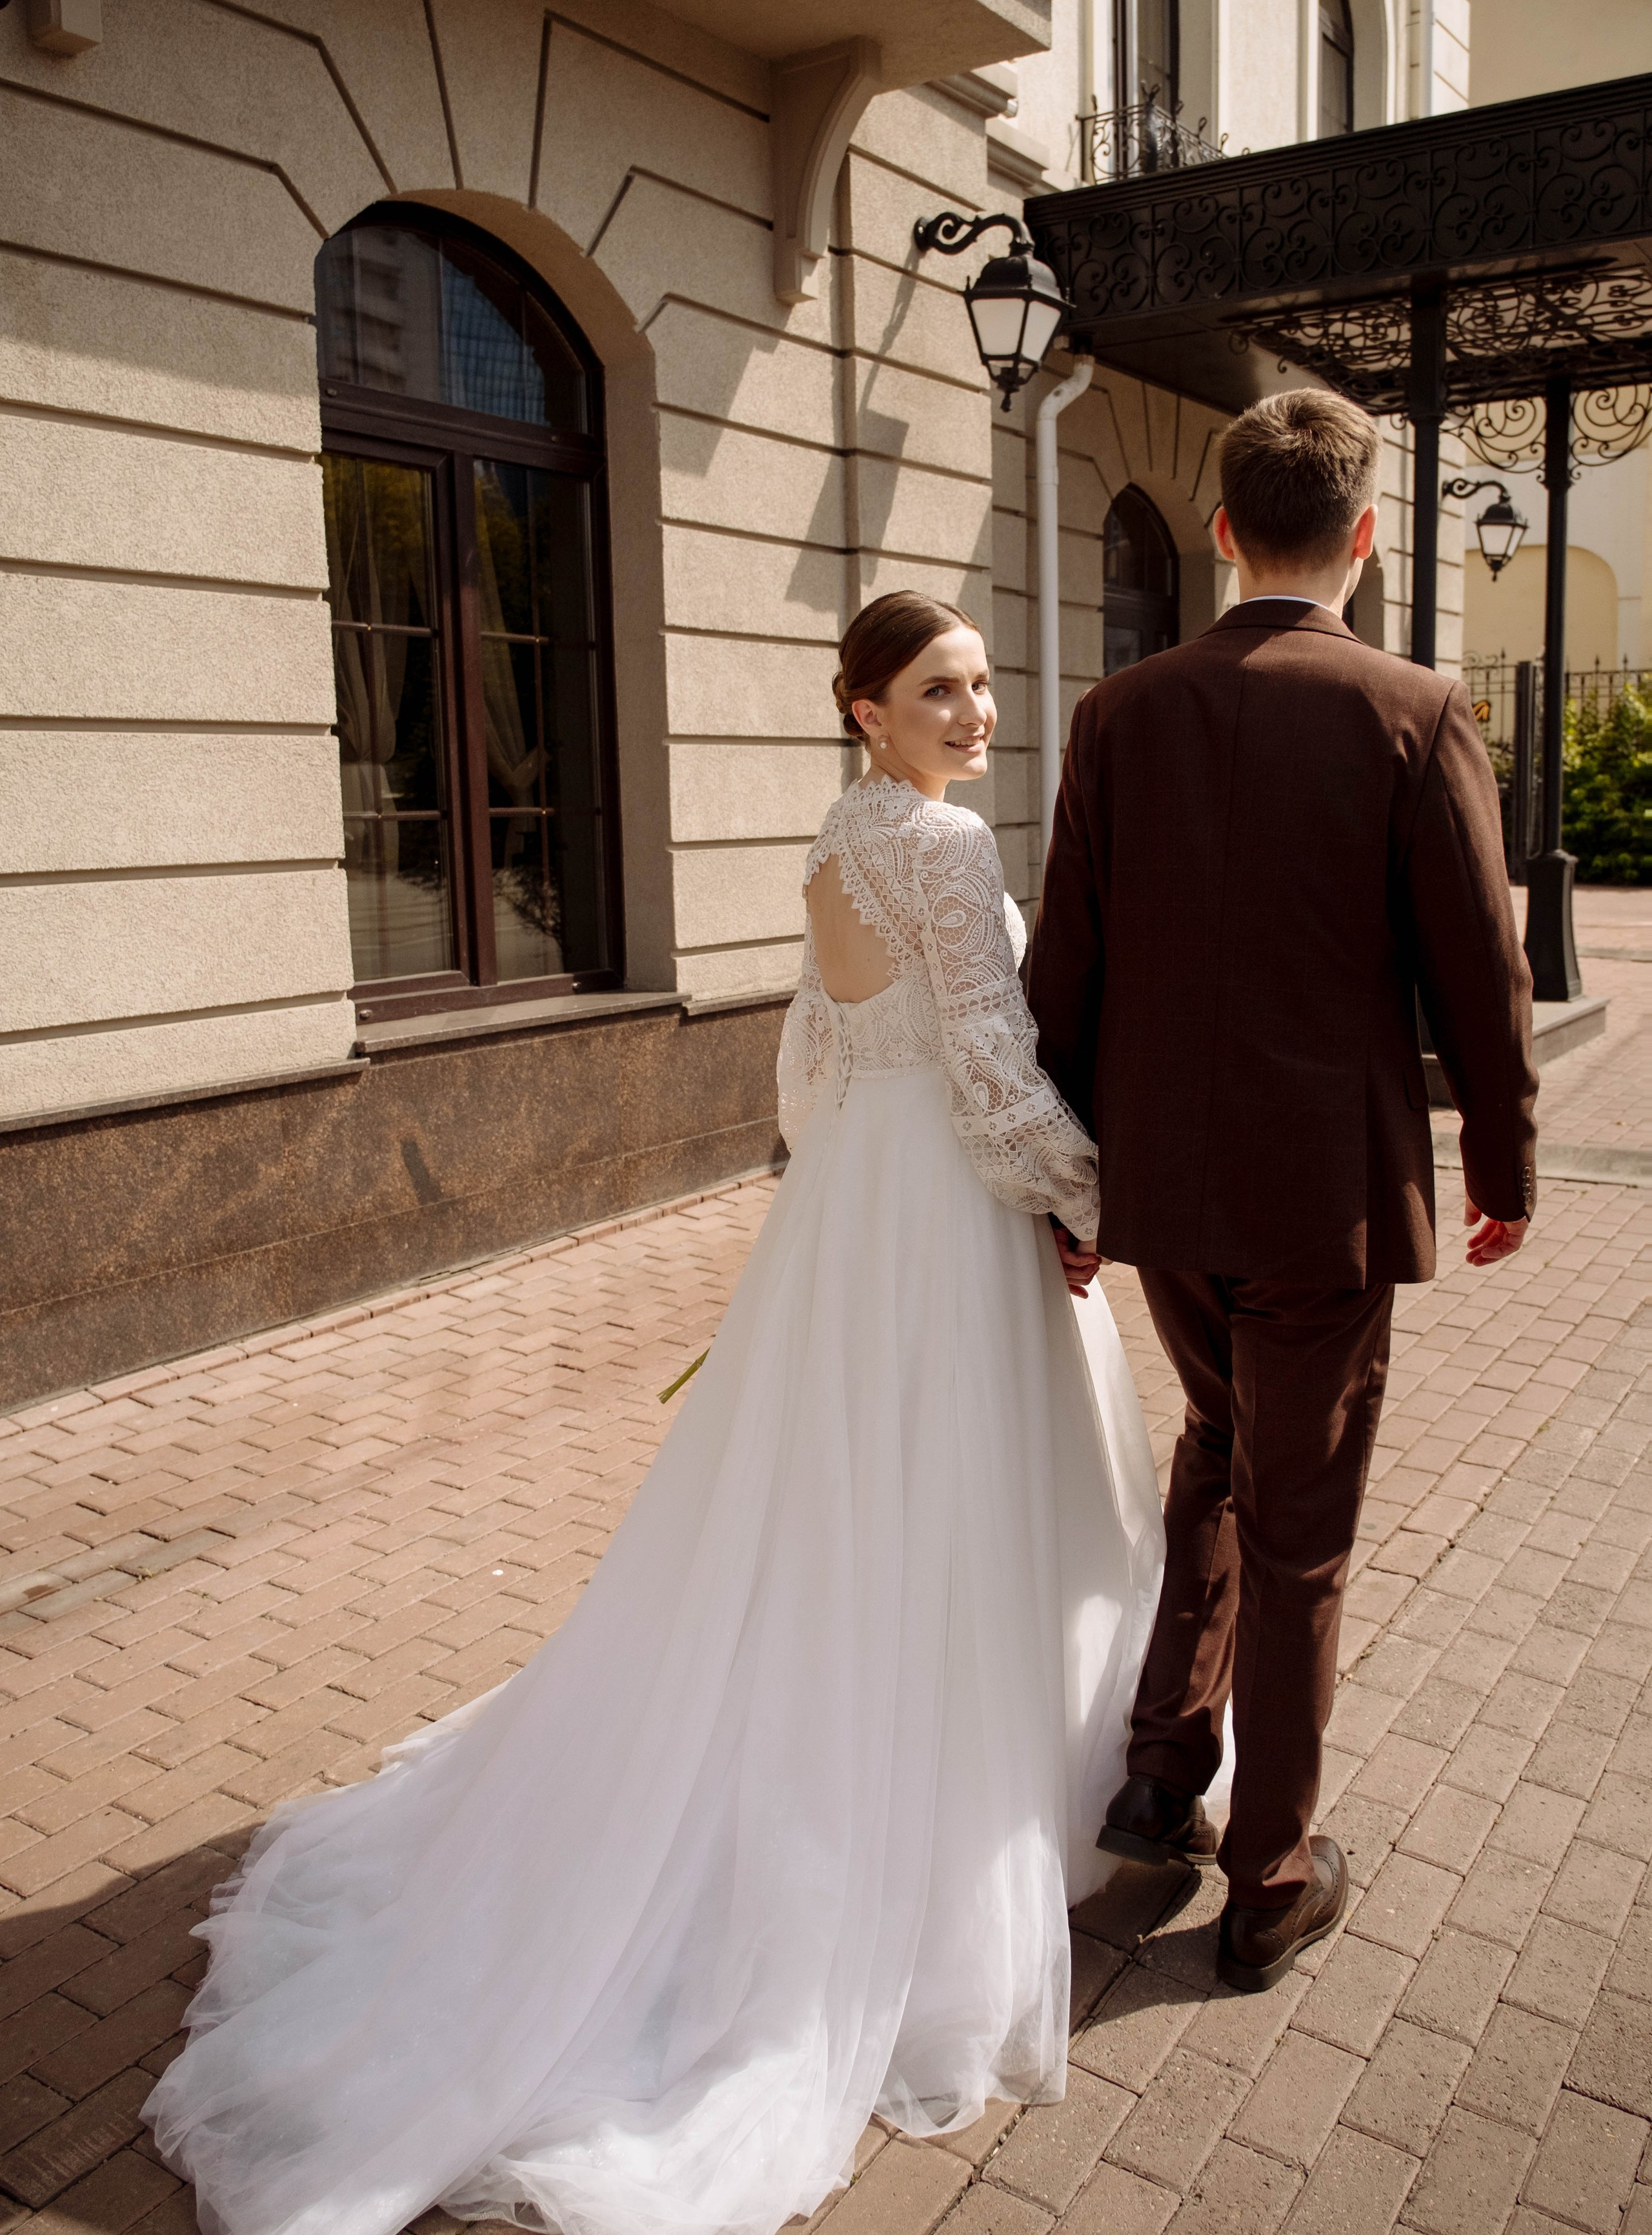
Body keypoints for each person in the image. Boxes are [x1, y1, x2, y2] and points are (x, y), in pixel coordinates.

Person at [143, 591, 1166, 2235]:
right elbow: (986, 1066)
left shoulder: (834, 847)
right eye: (936, 690)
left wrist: (841, 1191)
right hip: (942, 1214)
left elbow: (809, 1062)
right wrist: (1098, 1194)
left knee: (826, 1509)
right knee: (955, 1502)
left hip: (848, 1212)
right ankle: (943, 1810)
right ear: (864, 711)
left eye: (980, 686)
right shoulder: (945, 845)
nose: (974, 713)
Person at [1028, 389, 1538, 1996]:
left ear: (1227, 529)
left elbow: (1063, 975)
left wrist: (1062, 1186)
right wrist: (1504, 1162)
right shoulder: (1408, 706)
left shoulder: (1118, 711)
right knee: (1297, 1527)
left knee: (1213, 1453)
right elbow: (1482, 972)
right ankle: (1269, 1870)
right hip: (1320, 1198)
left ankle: (1161, 1770)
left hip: (1161, 1191)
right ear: (1366, 536)